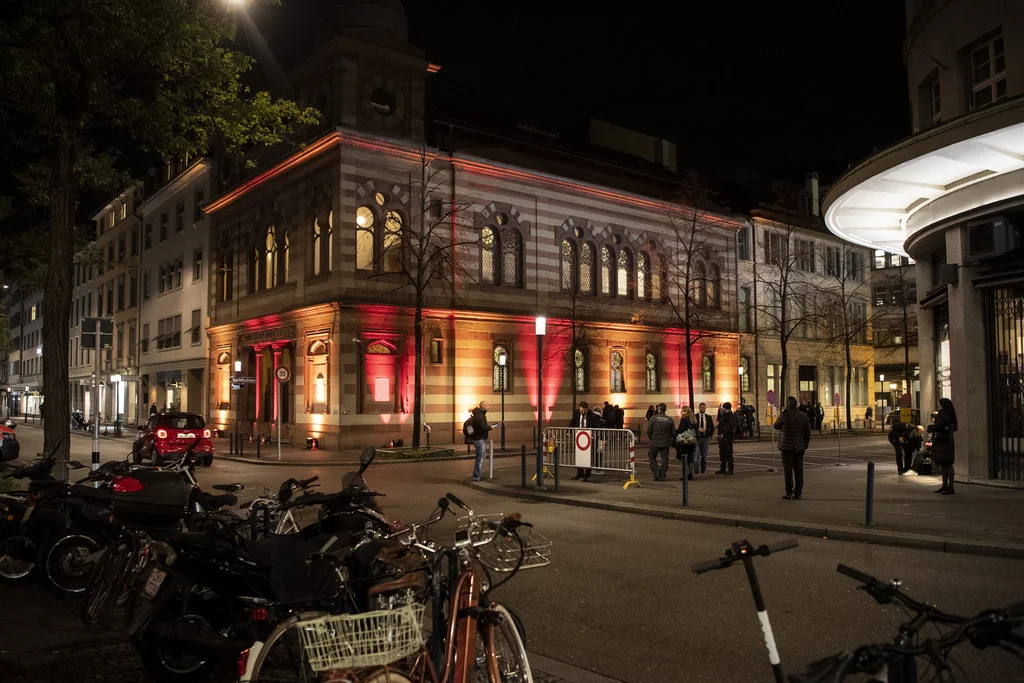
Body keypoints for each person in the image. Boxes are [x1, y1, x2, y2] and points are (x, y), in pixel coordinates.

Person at [774, 396, 812, 500]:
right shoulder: (804, 416)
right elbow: (808, 433)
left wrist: (782, 413)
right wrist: (805, 445)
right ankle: (798, 492)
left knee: (788, 470)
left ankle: (789, 492)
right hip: (799, 446)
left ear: (788, 404)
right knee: (799, 470)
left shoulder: (785, 415)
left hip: (787, 446)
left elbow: (776, 426)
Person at [569, 401, 605, 482]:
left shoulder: (592, 416)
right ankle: (580, 473)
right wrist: (569, 431)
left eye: (584, 411)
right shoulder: (577, 413)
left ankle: (587, 474)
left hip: (590, 439)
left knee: (589, 457)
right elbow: (573, 422)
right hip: (579, 438)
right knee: (579, 455)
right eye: (581, 411)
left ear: (587, 409)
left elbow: (598, 426)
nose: (582, 412)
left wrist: (595, 433)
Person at [928, 398, 958, 494]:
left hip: (942, 441)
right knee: (946, 464)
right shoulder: (951, 415)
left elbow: (939, 426)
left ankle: (947, 486)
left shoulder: (943, 414)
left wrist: (931, 428)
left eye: (939, 404)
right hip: (948, 441)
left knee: (945, 465)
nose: (938, 406)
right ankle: (947, 486)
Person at [646, 403, 675, 481]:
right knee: (664, 459)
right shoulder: (670, 420)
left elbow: (649, 431)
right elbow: (673, 433)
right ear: (665, 409)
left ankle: (656, 473)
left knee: (652, 457)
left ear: (658, 409)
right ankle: (662, 475)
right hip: (665, 442)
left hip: (655, 442)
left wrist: (651, 438)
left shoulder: (653, 419)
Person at [467, 401, 492, 483]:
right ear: (483, 406)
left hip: (478, 439)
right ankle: (476, 476)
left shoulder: (478, 415)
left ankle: (476, 474)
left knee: (481, 458)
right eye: (487, 405)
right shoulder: (480, 416)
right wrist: (491, 427)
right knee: (480, 459)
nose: (488, 407)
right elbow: (484, 428)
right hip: (479, 439)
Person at [675, 406, 698, 481]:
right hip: (692, 441)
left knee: (684, 458)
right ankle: (690, 474)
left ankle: (685, 474)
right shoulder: (694, 419)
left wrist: (676, 432)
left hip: (685, 441)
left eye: (682, 411)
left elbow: (680, 430)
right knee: (690, 457)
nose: (681, 412)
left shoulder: (684, 420)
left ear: (685, 412)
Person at [715, 402, 737, 475]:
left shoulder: (731, 416)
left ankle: (730, 469)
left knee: (728, 454)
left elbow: (730, 427)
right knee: (722, 454)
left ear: (725, 408)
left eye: (723, 408)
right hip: (722, 438)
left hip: (727, 437)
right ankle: (723, 468)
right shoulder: (724, 415)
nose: (722, 409)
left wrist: (723, 432)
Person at [694, 402, 714, 474]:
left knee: (704, 456)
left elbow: (712, 427)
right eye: (702, 408)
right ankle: (696, 469)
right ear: (699, 408)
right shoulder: (695, 416)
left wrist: (710, 436)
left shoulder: (708, 417)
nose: (703, 409)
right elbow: (692, 426)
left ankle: (703, 469)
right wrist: (697, 430)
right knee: (696, 455)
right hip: (697, 438)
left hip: (705, 438)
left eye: (704, 408)